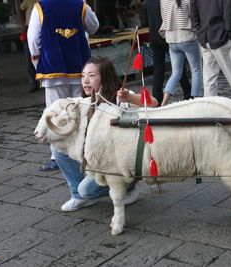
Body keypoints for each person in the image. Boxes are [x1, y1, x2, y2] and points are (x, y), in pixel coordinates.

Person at [53, 56, 158, 211]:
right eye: (83, 76)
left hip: (117, 161)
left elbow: (153, 103)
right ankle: (78, 196)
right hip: (96, 155)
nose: (85, 81)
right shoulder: (84, 101)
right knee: (58, 149)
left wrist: (130, 97)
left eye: (92, 75)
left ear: (105, 77)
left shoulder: (120, 96)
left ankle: (129, 186)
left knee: (87, 190)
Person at [28, 0, 99, 171]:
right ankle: (82, 152)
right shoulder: (80, 4)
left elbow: (32, 38)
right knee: (80, 111)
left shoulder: (41, 6)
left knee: (54, 113)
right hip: (78, 66)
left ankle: (57, 157)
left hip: (53, 67)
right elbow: (94, 26)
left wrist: (38, 61)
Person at [142, 0, 192, 105]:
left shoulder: (147, 2)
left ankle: (156, 98)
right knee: (179, 67)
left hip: (154, 38)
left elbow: (144, 22)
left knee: (158, 71)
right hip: (166, 36)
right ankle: (188, 94)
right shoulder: (164, 1)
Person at [159, 0, 203, 106]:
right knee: (196, 70)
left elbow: (163, 18)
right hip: (187, 36)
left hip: (171, 39)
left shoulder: (163, 0)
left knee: (176, 73)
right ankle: (196, 100)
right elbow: (194, 16)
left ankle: (164, 102)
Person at [18, 0, 40, 92]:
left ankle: (45, 80)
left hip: (44, 28)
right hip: (29, 28)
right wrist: (23, 24)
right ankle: (33, 83)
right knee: (30, 58)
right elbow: (20, 10)